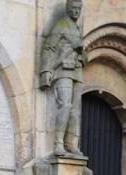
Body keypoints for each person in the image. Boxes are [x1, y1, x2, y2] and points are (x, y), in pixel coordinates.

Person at [39, 0, 86, 156]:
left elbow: (85, 56)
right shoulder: (61, 25)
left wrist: (81, 52)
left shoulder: (78, 29)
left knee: (75, 110)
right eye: (73, 9)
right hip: (63, 71)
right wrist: (46, 70)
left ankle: (70, 144)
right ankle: (58, 143)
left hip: (77, 71)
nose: (76, 12)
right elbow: (49, 47)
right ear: (68, 9)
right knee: (65, 105)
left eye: (78, 9)